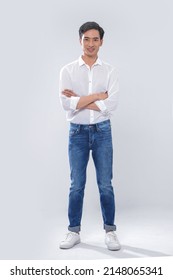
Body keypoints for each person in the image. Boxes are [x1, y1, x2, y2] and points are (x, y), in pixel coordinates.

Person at [59, 21, 121, 251]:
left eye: (95, 39)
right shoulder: (67, 70)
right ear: (80, 40)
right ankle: (73, 231)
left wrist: (81, 99)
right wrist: (97, 96)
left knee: (105, 184)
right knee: (76, 185)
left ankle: (110, 231)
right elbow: (67, 105)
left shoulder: (110, 70)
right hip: (77, 133)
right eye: (87, 39)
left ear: (101, 42)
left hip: (103, 131)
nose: (91, 43)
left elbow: (111, 106)